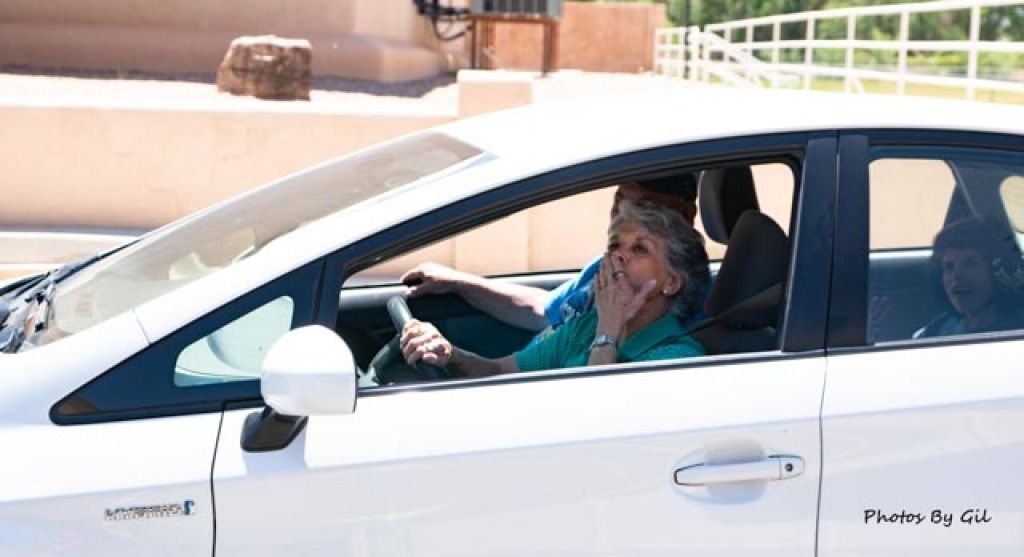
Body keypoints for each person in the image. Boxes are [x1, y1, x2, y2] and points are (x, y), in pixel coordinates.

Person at [399, 200, 710, 377]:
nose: (619, 255)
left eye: (640, 249)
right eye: (615, 245)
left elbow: (596, 419)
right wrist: (450, 354)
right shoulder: (585, 326)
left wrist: (608, 334)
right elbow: (499, 371)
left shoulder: (676, 358)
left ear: (671, 282)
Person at [400, 175, 698, 339]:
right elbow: (546, 311)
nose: (623, 216)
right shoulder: (605, 267)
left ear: (685, 216)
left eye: (644, 207)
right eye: (619, 201)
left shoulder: (687, 308)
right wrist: (458, 282)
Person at [914, 218, 1024, 338]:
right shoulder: (938, 330)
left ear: (1000, 272)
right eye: (949, 266)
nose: (956, 275)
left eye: (971, 264)